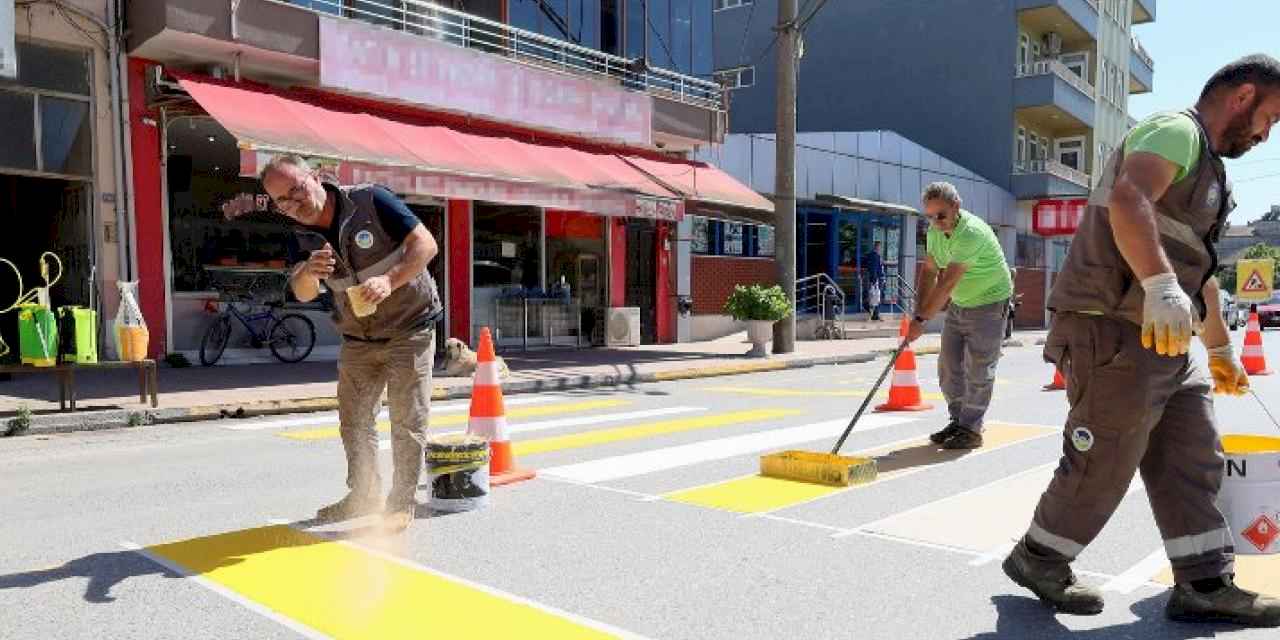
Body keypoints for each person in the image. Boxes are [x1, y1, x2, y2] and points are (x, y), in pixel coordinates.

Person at [1002, 54, 1280, 627]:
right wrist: (1157, 284)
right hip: (1111, 322)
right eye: (1269, 119)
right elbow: (1129, 199)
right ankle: (1040, 558)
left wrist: (1221, 349)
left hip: (1163, 336)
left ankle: (1205, 582)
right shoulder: (1175, 131)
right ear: (1244, 96)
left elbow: (1193, 272)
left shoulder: (1210, 168)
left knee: (1194, 456)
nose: (1266, 135)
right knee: (1106, 455)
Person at [260, 155, 442, 533]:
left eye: (296, 188)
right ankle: (363, 495)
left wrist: (390, 280)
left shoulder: (371, 201)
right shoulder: (299, 236)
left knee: (407, 419)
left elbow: (425, 245)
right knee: (354, 421)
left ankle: (399, 502)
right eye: (283, 201)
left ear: (315, 176)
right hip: (358, 337)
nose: (295, 203)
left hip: (410, 327)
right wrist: (309, 272)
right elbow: (303, 292)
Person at [906, 182, 1013, 450]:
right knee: (949, 365)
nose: (935, 222)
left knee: (979, 367)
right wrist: (917, 314)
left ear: (956, 207)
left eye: (940, 215)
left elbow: (947, 283)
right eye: (929, 216)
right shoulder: (934, 233)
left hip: (989, 303)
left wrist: (920, 322)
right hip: (960, 303)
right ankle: (959, 421)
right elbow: (929, 273)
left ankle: (972, 429)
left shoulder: (971, 233)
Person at [863, 241, 886, 321]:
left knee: (876, 297)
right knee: (876, 297)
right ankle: (874, 314)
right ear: (877, 247)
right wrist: (874, 280)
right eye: (880, 247)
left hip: (878, 279)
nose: (880, 249)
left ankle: (875, 314)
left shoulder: (876, 256)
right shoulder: (874, 256)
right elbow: (874, 269)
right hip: (876, 280)